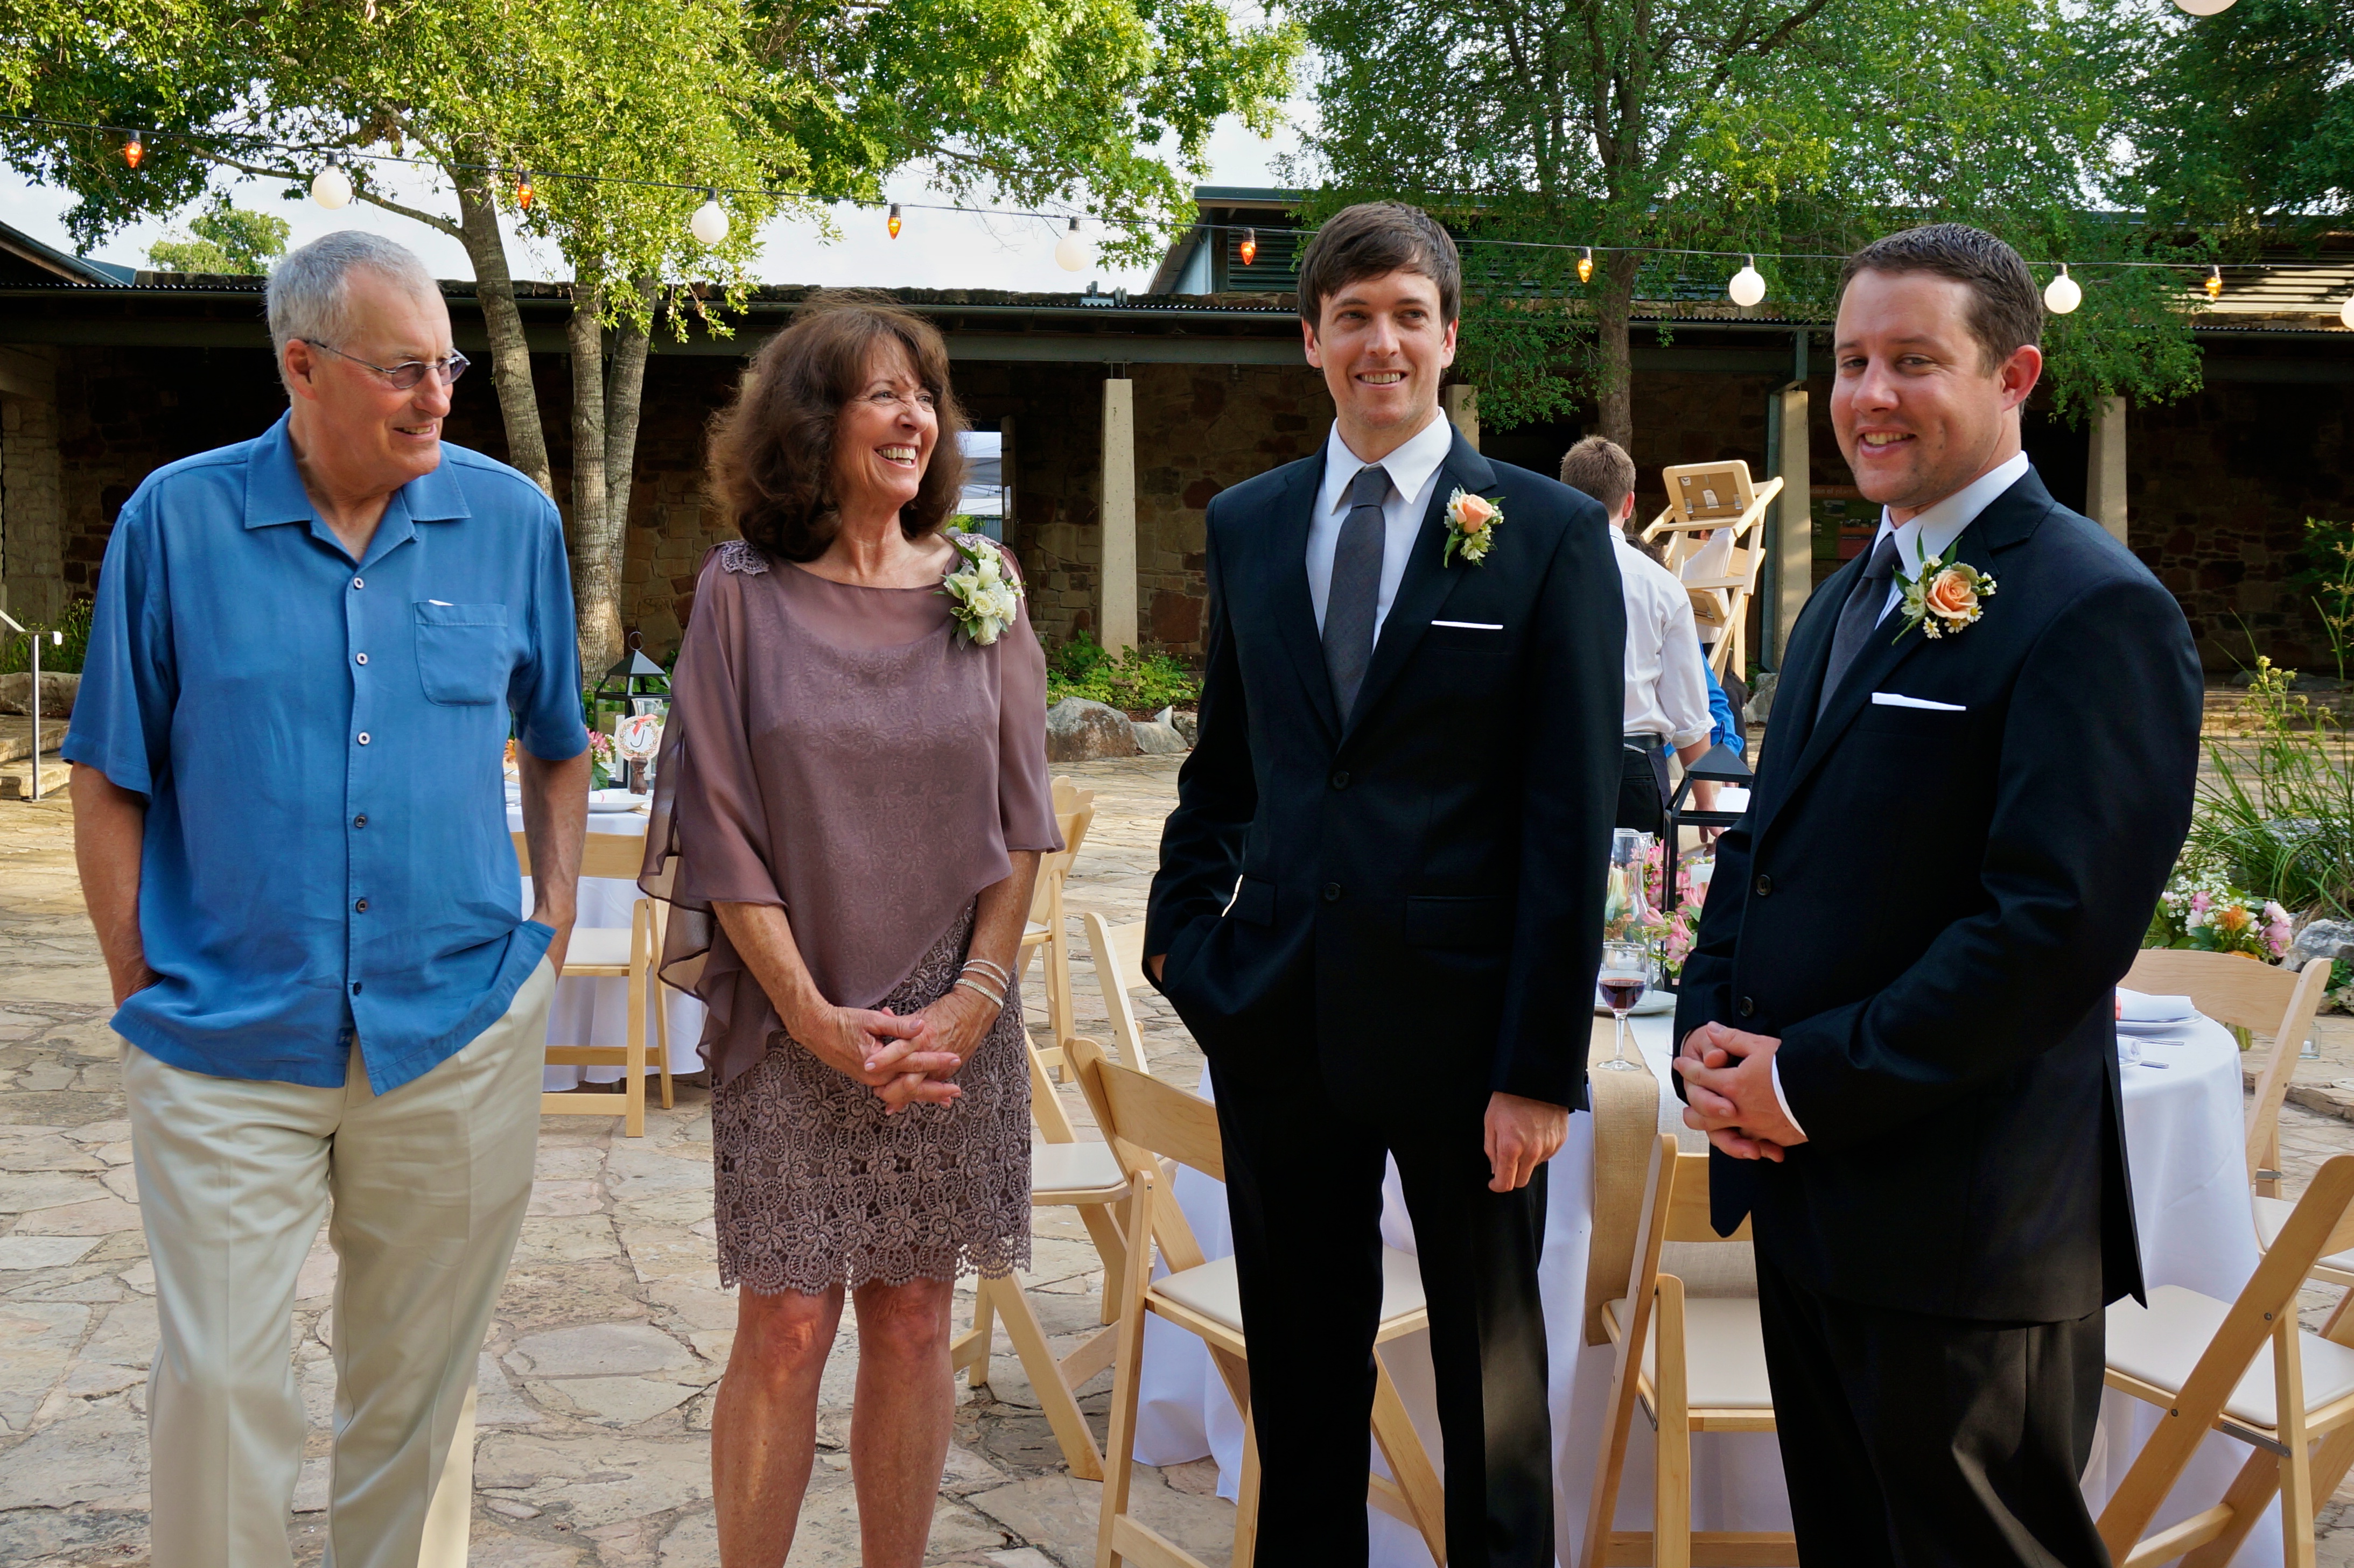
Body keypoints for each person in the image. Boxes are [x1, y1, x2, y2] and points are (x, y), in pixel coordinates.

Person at [1671, 223, 2202, 1566]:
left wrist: (1803, 1082)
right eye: (1851, 361)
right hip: (1808, 1199)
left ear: (2013, 375)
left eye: (1913, 360)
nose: (1869, 394)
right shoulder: (1848, 594)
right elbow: (1760, 845)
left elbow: (2049, 934)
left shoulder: (2093, 607)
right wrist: (1710, 1039)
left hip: (1964, 1231)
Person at [64, 230, 589, 1568]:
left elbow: (560, 742)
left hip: (453, 1030)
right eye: (403, 369)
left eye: (448, 366)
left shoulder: (511, 523)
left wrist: (549, 929)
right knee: (222, 1386)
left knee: (419, 1403)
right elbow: (108, 771)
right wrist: (136, 977)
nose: (436, 396)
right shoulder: (174, 523)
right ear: (302, 367)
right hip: (224, 1035)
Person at [1144, 202, 1623, 1566]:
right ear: (1309, 339)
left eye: (1408, 315)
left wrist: (1538, 1068)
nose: (1381, 343)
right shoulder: (1247, 523)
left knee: (1492, 1394)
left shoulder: (1544, 533)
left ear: (1448, 336)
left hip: (1469, 1042)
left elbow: (1569, 817)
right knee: (1302, 1385)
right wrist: (1180, 940)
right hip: (1279, 1019)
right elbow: (1225, 764)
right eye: (1351, 316)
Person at [642, 300, 1060, 1568]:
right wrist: (811, 1015)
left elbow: (1024, 816)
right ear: (810, 423)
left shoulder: (983, 589)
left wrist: (975, 996)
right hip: (796, 1012)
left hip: (948, 1018)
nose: (913, 416)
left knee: (917, 1315)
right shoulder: (740, 595)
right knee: (784, 1326)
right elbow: (717, 824)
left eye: (923, 395)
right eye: (882, 393)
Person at [1558, 434, 1718, 832]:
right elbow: (1689, 713)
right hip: (1634, 768)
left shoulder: (1533, 571)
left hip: (1551, 762)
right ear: (1629, 504)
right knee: (1638, 875)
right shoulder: (1662, 586)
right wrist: (1707, 804)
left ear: (1562, 495)